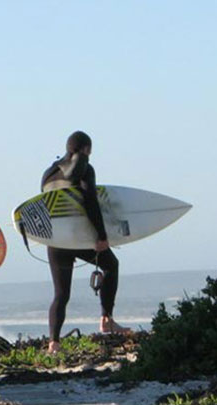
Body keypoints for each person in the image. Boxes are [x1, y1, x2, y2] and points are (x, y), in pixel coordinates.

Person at [41, 131, 129, 353]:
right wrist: (101, 236)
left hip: (56, 240)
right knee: (111, 265)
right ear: (86, 149)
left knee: (61, 294)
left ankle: (54, 343)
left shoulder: (48, 174)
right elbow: (91, 202)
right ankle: (106, 319)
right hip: (79, 238)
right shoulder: (85, 170)